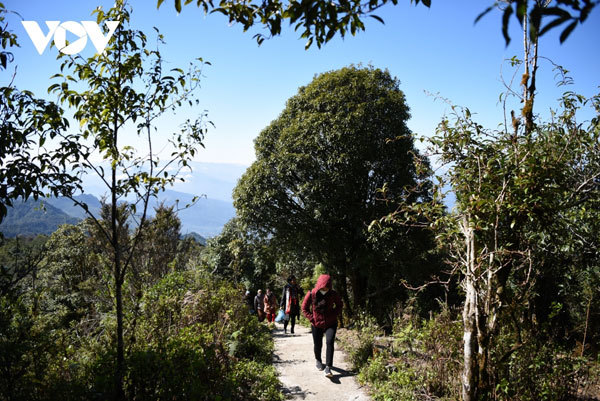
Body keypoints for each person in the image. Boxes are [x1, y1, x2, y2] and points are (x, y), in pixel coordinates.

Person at [301, 274, 343, 378]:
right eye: (323, 287)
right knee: (317, 344)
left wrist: (334, 314)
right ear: (319, 285)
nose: (325, 289)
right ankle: (318, 360)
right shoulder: (311, 293)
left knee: (329, 342)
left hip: (331, 323)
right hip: (316, 324)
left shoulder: (333, 294)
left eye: (327, 287)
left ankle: (328, 367)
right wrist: (312, 318)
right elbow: (304, 308)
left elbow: (339, 305)